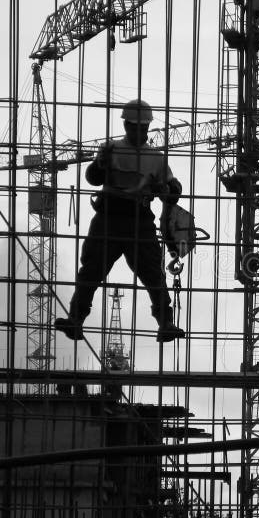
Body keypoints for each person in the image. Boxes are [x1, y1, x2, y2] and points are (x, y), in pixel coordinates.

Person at [54, 99, 184, 343]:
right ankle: (76, 319)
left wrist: (163, 186)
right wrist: (100, 162)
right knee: (91, 269)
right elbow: (93, 178)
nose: (140, 132)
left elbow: (174, 189)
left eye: (143, 127)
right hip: (109, 217)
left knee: (153, 273)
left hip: (138, 220)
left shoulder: (155, 157)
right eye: (135, 127)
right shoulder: (112, 149)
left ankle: (165, 322)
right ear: (126, 126)